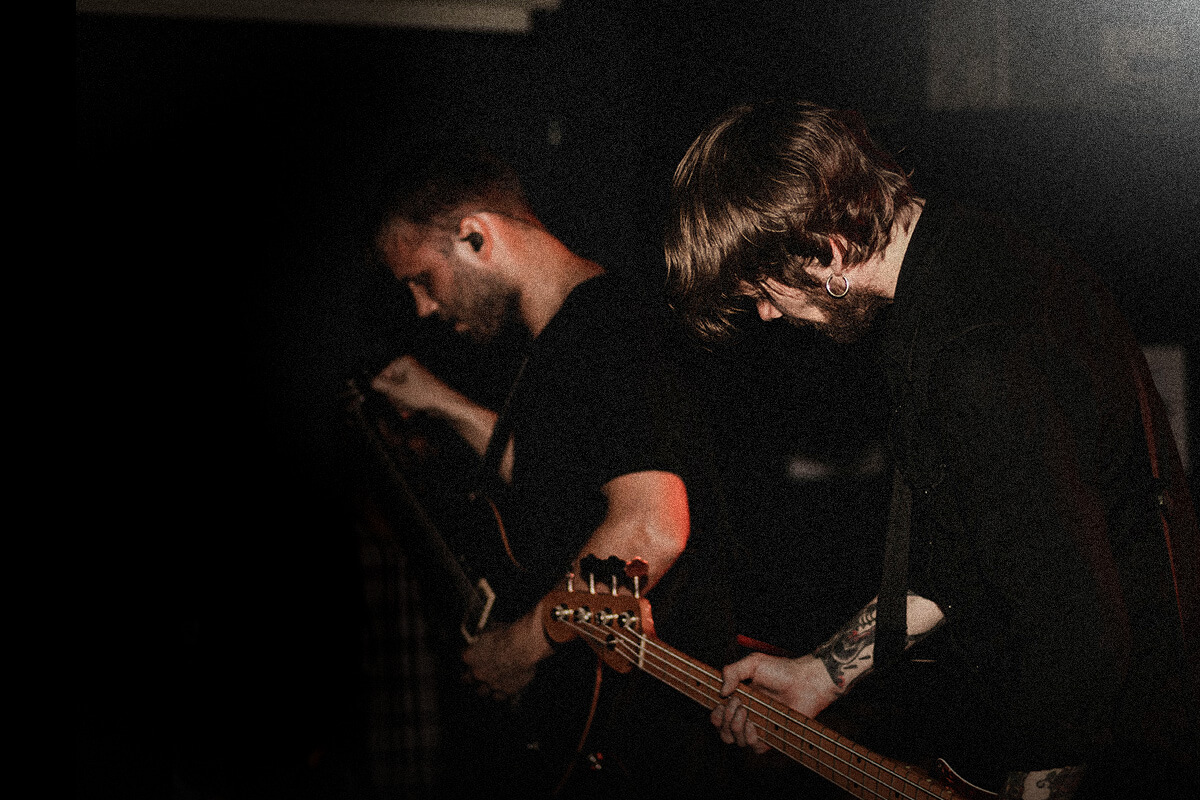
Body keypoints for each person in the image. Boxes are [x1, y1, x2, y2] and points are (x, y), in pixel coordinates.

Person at [662, 99, 1199, 799]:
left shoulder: (973, 354)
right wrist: (820, 674)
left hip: (1123, 752)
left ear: (826, 251)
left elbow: (1081, 639)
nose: (767, 313)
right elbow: (966, 557)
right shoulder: (971, 261)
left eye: (765, 291)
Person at [366, 144, 737, 797]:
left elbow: (651, 529)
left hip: (653, 735)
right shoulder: (563, 340)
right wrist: (441, 404)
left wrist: (523, 644)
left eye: (422, 279)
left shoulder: (608, 332)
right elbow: (552, 479)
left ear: (475, 235)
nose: (423, 308)